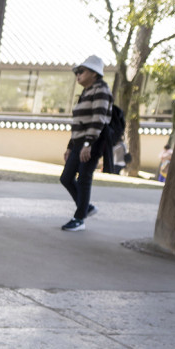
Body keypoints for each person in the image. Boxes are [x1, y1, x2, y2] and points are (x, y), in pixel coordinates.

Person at [59, 54, 113, 232]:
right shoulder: (86, 92)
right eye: (77, 72)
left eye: (81, 71)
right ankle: (86, 207)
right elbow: (79, 123)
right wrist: (70, 146)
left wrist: (88, 144)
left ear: (94, 74)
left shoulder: (101, 91)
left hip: (93, 141)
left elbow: (98, 119)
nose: (78, 75)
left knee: (84, 178)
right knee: (66, 178)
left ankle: (79, 218)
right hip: (79, 142)